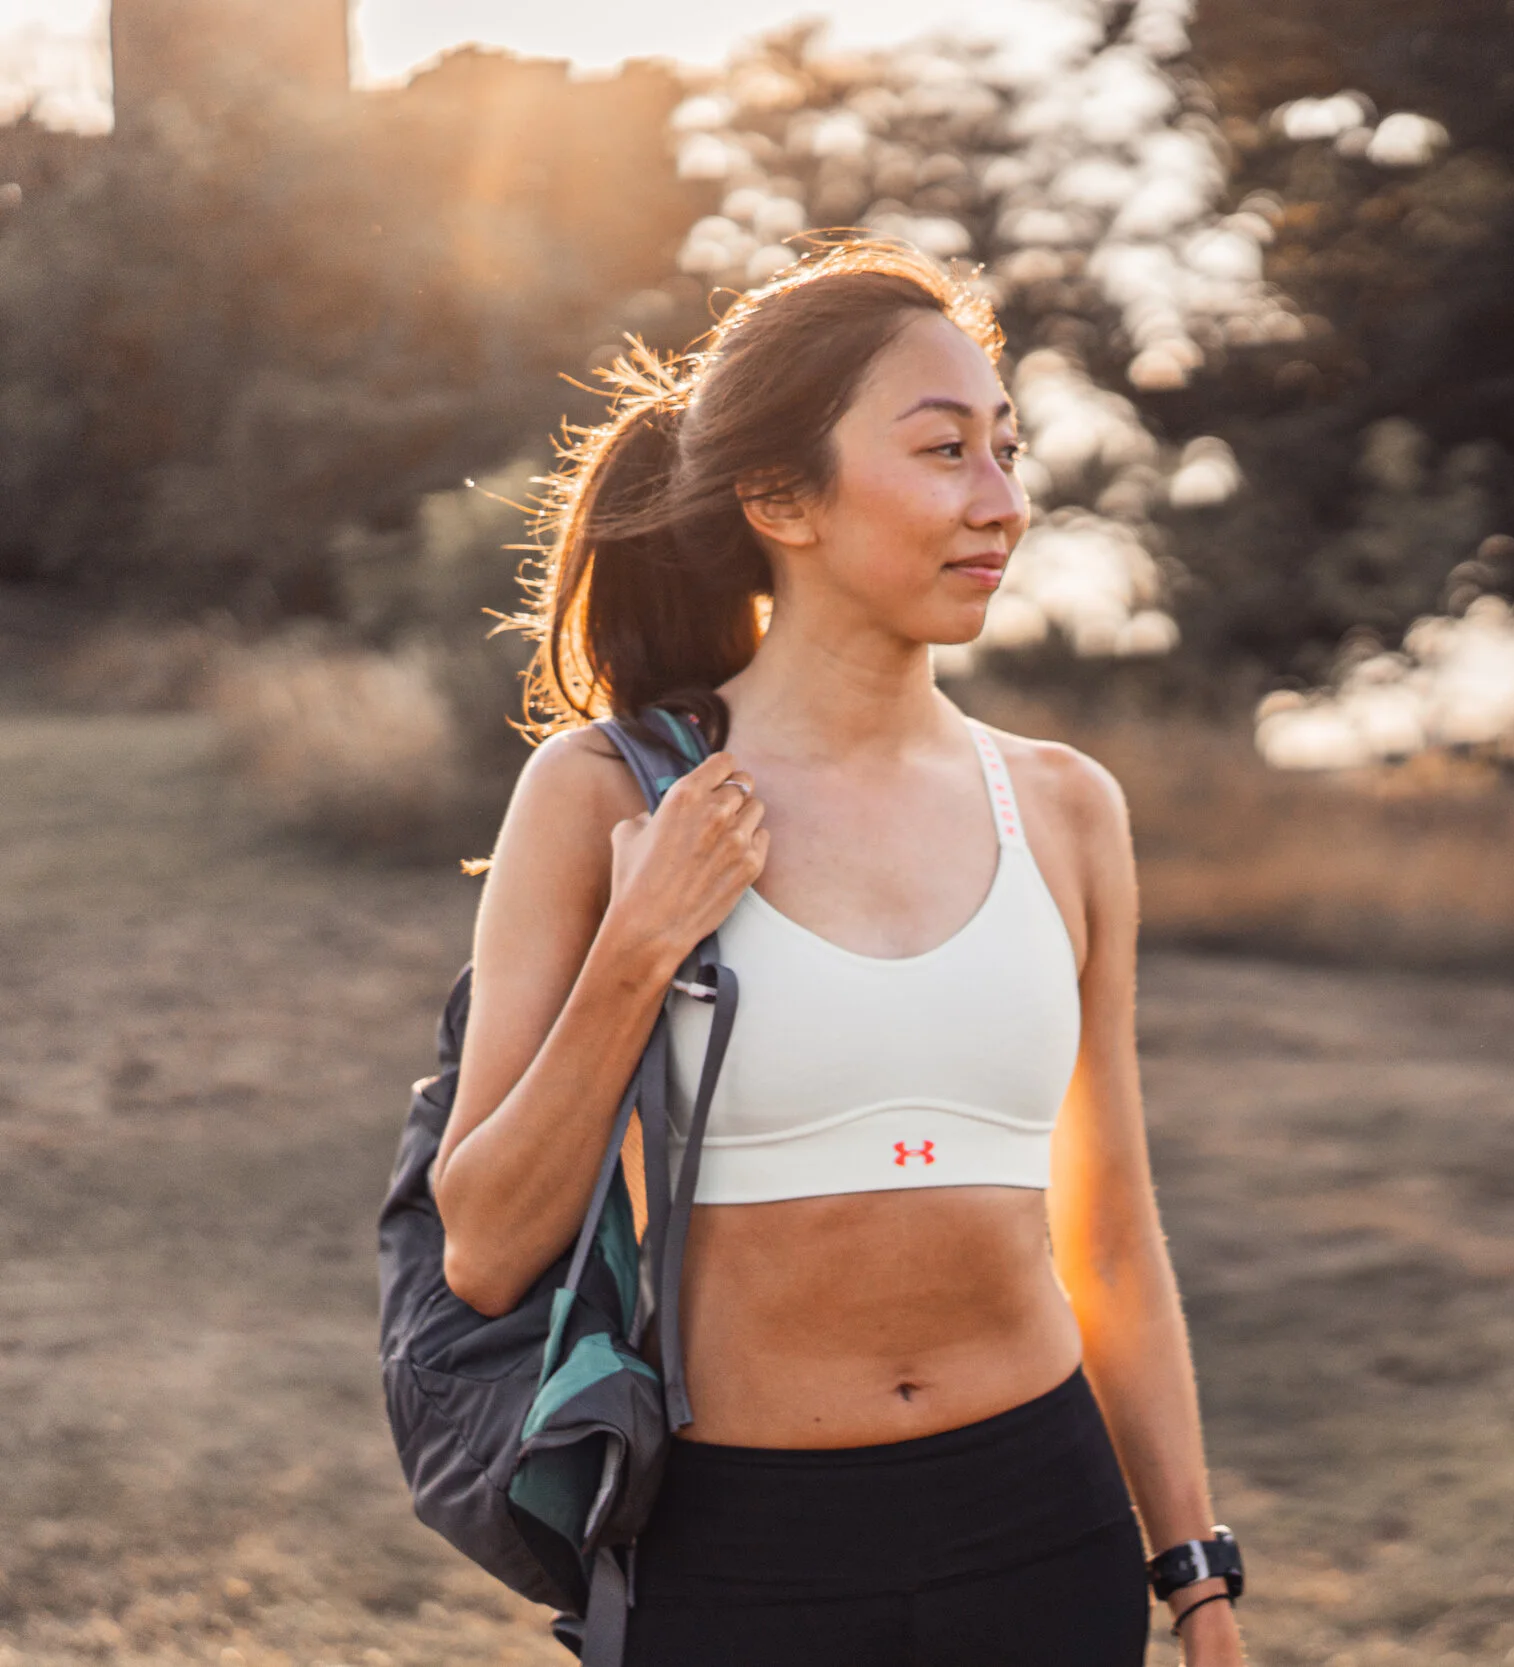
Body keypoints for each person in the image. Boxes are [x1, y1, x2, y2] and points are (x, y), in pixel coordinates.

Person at [427, 239, 1248, 1666]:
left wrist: (1196, 1575)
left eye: (1006, 447)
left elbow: (1107, 1229)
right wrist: (642, 943)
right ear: (779, 498)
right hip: (740, 1556)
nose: (1002, 501)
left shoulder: (1065, 809)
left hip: (1043, 1531)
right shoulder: (608, 795)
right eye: (943, 451)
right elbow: (487, 1246)